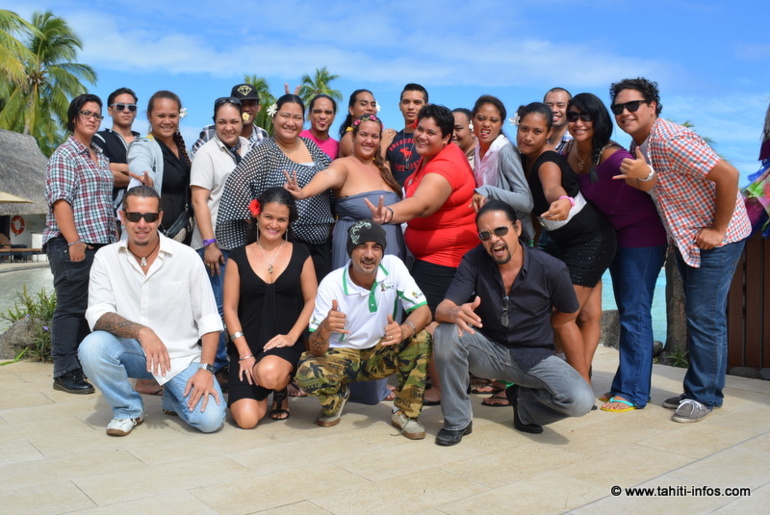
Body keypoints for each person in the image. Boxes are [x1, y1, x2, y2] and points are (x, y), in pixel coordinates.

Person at [609, 77, 751, 422]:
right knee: (702, 316)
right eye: (618, 108)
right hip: (689, 239)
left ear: (652, 106)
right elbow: (662, 189)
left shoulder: (670, 139)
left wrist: (717, 230)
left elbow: (729, 175)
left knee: (705, 317)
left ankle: (702, 397)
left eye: (632, 105)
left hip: (719, 237)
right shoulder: (639, 145)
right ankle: (702, 391)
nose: (625, 112)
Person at [432, 200, 594, 446]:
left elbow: (569, 313)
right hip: (487, 350)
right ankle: (457, 421)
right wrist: (455, 312)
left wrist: (542, 327)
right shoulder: (474, 260)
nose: (494, 240)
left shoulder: (551, 268)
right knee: (445, 332)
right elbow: (442, 309)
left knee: (580, 401)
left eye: (500, 230)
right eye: (485, 235)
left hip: (534, 356)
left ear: (517, 228)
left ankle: (525, 406)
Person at [78, 186, 225, 436]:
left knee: (209, 420)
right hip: (134, 353)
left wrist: (205, 370)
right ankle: (128, 409)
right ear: (122, 217)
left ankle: (172, 395)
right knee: (92, 347)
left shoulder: (186, 257)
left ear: (159, 218)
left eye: (149, 216)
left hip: (180, 357)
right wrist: (142, 332)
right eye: (134, 216)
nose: (142, 224)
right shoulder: (106, 258)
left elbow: (209, 319)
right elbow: (98, 313)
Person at [285, 113, 404, 405]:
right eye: (364, 134)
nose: (369, 140)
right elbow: (325, 178)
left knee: (385, 315)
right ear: (353, 136)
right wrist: (302, 192)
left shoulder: (386, 169)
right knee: (351, 315)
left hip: (389, 251)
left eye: (374, 136)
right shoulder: (342, 165)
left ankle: (377, 384)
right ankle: (342, 383)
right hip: (354, 249)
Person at [562, 93, 667, 412]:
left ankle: (633, 393)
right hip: (609, 239)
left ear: (599, 121)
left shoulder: (612, 155)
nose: (578, 122)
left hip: (641, 236)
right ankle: (627, 384)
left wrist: (645, 174)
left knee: (634, 311)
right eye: (573, 116)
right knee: (627, 310)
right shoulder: (569, 151)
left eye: (586, 117)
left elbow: (648, 183)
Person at [367, 104, 478, 405]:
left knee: (430, 324)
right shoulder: (430, 157)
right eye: (420, 129)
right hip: (432, 259)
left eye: (431, 132)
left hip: (447, 260)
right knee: (428, 321)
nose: (422, 136)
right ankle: (441, 384)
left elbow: (424, 203)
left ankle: (443, 389)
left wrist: (389, 213)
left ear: (447, 138)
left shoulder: (446, 164)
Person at [294, 220, 432, 439]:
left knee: (421, 337)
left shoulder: (393, 266)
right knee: (306, 373)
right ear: (350, 251)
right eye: (361, 247)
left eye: (376, 247)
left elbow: (423, 311)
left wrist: (405, 330)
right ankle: (335, 398)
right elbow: (315, 349)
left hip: (380, 351)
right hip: (342, 356)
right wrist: (325, 327)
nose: (369, 254)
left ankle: (405, 413)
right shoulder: (331, 283)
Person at [517, 102, 616, 379]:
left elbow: (553, 187)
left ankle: (579, 383)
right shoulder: (524, 159)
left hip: (591, 242)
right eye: (524, 129)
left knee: (562, 316)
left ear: (549, 133)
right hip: (571, 242)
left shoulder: (547, 161)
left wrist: (562, 200)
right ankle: (579, 377)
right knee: (587, 315)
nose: (528, 137)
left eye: (537, 131)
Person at [223, 188, 317, 427]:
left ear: (289, 221)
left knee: (268, 372)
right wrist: (244, 353)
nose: (274, 224)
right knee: (246, 420)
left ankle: (280, 389)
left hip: (283, 345)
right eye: (268, 217)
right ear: (257, 215)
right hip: (247, 346)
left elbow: (312, 300)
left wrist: (292, 336)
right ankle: (264, 389)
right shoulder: (237, 257)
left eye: (281, 219)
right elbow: (230, 309)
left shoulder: (301, 253)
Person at [217, 94, 334, 282]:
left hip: (320, 246)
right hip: (284, 245)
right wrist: (259, 221)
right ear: (274, 117)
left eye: (297, 117)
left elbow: (331, 178)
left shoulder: (311, 146)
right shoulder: (266, 150)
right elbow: (235, 185)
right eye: (285, 116)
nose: (291, 122)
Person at [43, 93, 117, 394]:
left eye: (97, 115)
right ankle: (64, 371)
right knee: (71, 308)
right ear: (74, 118)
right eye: (87, 113)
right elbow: (61, 201)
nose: (93, 119)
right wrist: (74, 241)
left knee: (90, 308)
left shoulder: (98, 154)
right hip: (73, 244)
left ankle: (81, 366)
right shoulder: (65, 154)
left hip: (99, 245)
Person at [190, 96, 250, 383]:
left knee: (236, 306)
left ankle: (233, 362)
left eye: (234, 121)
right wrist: (209, 244)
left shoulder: (248, 148)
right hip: (216, 244)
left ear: (243, 121)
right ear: (214, 123)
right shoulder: (207, 154)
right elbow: (199, 201)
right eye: (222, 122)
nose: (228, 127)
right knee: (215, 307)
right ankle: (215, 366)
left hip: (242, 242)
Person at [127, 90, 193, 244]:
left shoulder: (185, 151)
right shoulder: (143, 145)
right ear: (149, 116)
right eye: (161, 116)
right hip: (155, 237)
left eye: (172, 116)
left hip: (185, 238)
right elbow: (139, 161)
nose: (167, 121)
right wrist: (147, 179)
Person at [470, 94, 534, 245]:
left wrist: (488, 191)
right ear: (472, 120)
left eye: (493, 120)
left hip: (517, 239)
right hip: (493, 234)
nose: (486, 124)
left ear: (501, 124)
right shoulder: (478, 149)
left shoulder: (505, 151)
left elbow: (526, 202)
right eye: (481, 118)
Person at [93, 87, 140, 229]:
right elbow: (99, 173)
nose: (126, 111)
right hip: (110, 218)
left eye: (131, 107)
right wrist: (140, 178)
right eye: (120, 107)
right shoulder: (99, 138)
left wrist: (116, 167)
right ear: (109, 110)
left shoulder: (144, 143)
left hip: (142, 217)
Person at [190, 83, 269, 157]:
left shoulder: (262, 135)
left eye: (251, 104)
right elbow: (194, 158)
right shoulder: (210, 132)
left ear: (258, 108)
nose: (246, 109)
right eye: (242, 104)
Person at [382, 83, 429, 186]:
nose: (411, 107)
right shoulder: (390, 139)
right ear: (400, 106)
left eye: (417, 102)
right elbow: (383, 172)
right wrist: (382, 146)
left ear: (426, 106)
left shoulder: (432, 138)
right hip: (396, 194)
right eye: (406, 102)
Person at [338, 89, 378, 158]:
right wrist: (385, 144)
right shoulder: (349, 139)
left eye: (373, 105)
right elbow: (367, 163)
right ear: (351, 110)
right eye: (363, 104)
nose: (370, 108)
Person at [300, 94, 339, 160]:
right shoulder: (297, 138)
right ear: (309, 113)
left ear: (334, 116)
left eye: (328, 112)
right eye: (317, 112)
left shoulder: (338, 148)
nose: (322, 116)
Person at [544, 87, 573, 152]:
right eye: (549, 105)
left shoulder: (576, 143)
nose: (554, 110)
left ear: (570, 109)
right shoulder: (537, 141)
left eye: (560, 105)